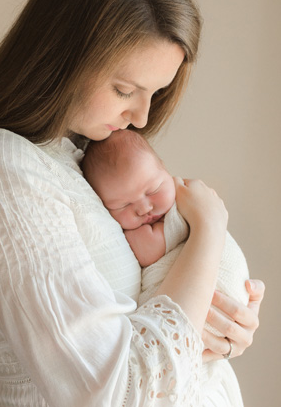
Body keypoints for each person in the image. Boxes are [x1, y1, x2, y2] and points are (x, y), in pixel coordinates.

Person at [0, 0, 265, 405]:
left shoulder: (84, 161)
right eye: (125, 89)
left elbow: (161, 305)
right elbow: (115, 393)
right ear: (62, 55)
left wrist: (226, 316)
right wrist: (210, 227)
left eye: (156, 93)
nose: (143, 117)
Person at [82, 129, 250, 406]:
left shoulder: (182, 211)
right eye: (122, 205)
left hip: (222, 298)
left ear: (167, 173)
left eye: (153, 190)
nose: (145, 208)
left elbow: (148, 252)